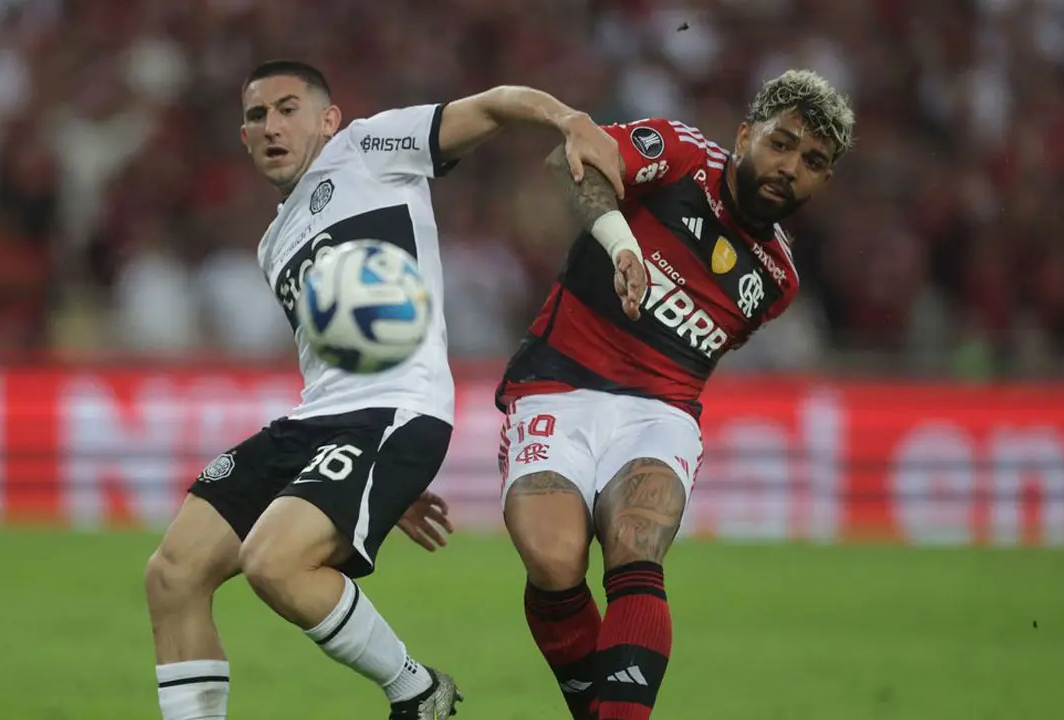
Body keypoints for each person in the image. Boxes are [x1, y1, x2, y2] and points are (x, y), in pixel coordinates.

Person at [143, 59, 625, 720]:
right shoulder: (271, 244)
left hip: (396, 408)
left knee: (274, 564)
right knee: (172, 573)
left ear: (328, 119)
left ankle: (416, 691)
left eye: (288, 108)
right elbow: (333, 355)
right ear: (244, 137)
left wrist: (567, 119)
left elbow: (492, 103)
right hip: (322, 421)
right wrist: (373, 489)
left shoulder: (369, 148)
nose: (272, 126)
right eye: (256, 116)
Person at [495, 69, 856, 720]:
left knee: (635, 545)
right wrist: (623, 244)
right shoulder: (679, 153)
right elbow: (570, 160)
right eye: (781, 143)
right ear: (746, 135)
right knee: (552, 560)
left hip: (659, 411)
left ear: (824, 181)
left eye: (812, 162)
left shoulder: (777, 281)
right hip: (558, 380)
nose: (789, 167)